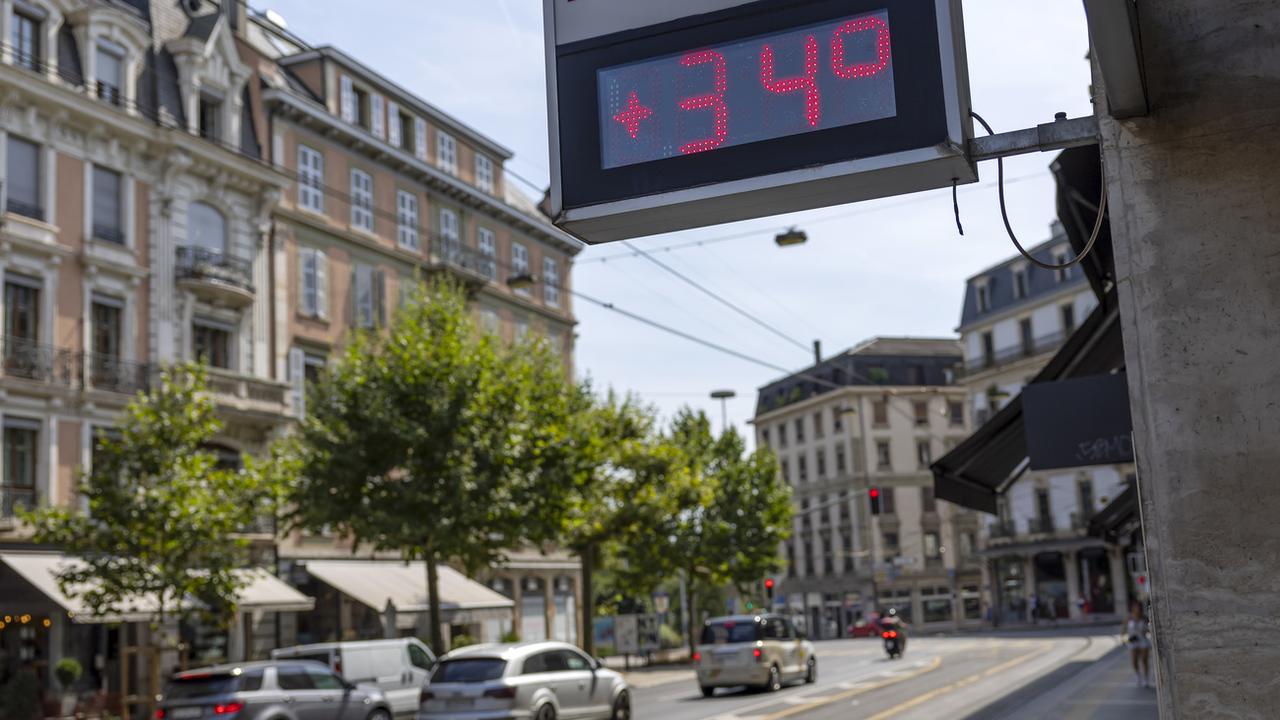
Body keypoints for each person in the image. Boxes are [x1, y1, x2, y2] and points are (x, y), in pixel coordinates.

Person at [1124, 602, 1152, 687]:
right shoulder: (1129, 618)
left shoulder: (1144, 618)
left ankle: (1146, 678)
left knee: (1144, 660)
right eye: (1135, 607)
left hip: (1143, 640)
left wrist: (1147, 630)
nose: (1137, 609)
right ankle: (1138, 676)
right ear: (1132, 608)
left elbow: (1149, 629)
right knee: (1134, 661)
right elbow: (1123, 629)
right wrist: (1123, 639)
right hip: (1133, 642)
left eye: (1139, 607)